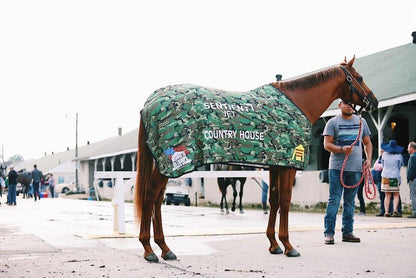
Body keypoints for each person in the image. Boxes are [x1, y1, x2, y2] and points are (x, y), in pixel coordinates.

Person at [323, 99, 372, 245]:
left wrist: (369, 159)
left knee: (350, 202)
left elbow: (367, 143)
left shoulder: (361, 121)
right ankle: (329, 233)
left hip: (356, 168)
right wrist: (341, 150)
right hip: (337, 168)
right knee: (334, 200)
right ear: (339, 105)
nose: (350, 106)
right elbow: (327, 144)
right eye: (346, 103)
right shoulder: (332, 123)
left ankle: (348, 232)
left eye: (351, 104)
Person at [380, 140, 404, 217]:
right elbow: (400, 165)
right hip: (395, 175)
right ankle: (395, 210)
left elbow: (382, 165)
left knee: (387, 195)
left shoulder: (384, 154)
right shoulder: (399, 156)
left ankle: (386, 211)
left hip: (385, 175)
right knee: (396, 195)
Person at [407, 141, 416, 218]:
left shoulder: (413, 157)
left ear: (412, 148)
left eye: (409, 147)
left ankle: (414, 212)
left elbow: (412, 169)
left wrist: (410, 178)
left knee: (413, 196)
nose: (407, 149)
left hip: (413, 179)